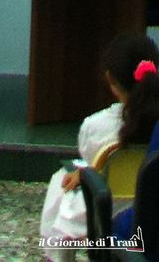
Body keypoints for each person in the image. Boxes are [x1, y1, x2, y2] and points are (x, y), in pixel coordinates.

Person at [40, 33, 159, 262]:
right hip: (151, 211)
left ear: (110, 79)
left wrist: (84, 172)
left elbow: (90, 161)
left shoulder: (95, 126)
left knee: (61, 180)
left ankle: (57, 256)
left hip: (108, 211)